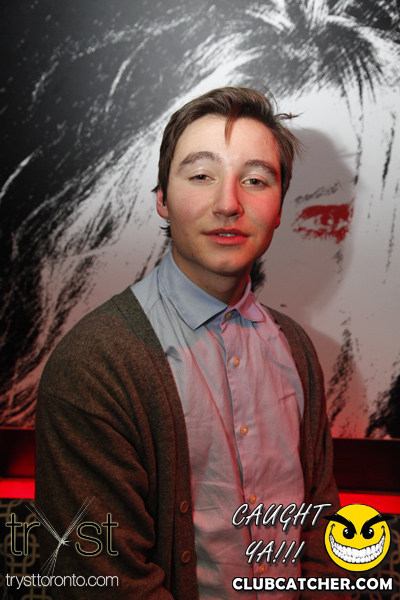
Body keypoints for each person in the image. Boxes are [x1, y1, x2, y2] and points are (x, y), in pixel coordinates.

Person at [36, 87, 344, 599]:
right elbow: (104, 584)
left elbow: (323, 528)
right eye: (201, 175)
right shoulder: (94, 364)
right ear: (161, 198)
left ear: (279, 208)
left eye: (255, 180)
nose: (228, 203)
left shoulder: (295, 349)